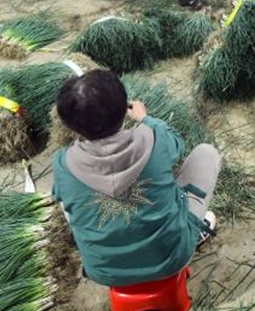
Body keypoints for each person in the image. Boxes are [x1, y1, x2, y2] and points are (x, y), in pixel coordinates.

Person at [51, 69, 220, 287]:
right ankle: (192, 233)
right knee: (207, 153)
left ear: (69, 125)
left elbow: (64, 198)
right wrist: (146, 119)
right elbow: (177, 146)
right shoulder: (154, 137)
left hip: (104, 272)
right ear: (124, 109)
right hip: (171, 258)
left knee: (64, 194)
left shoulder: (64, 163)